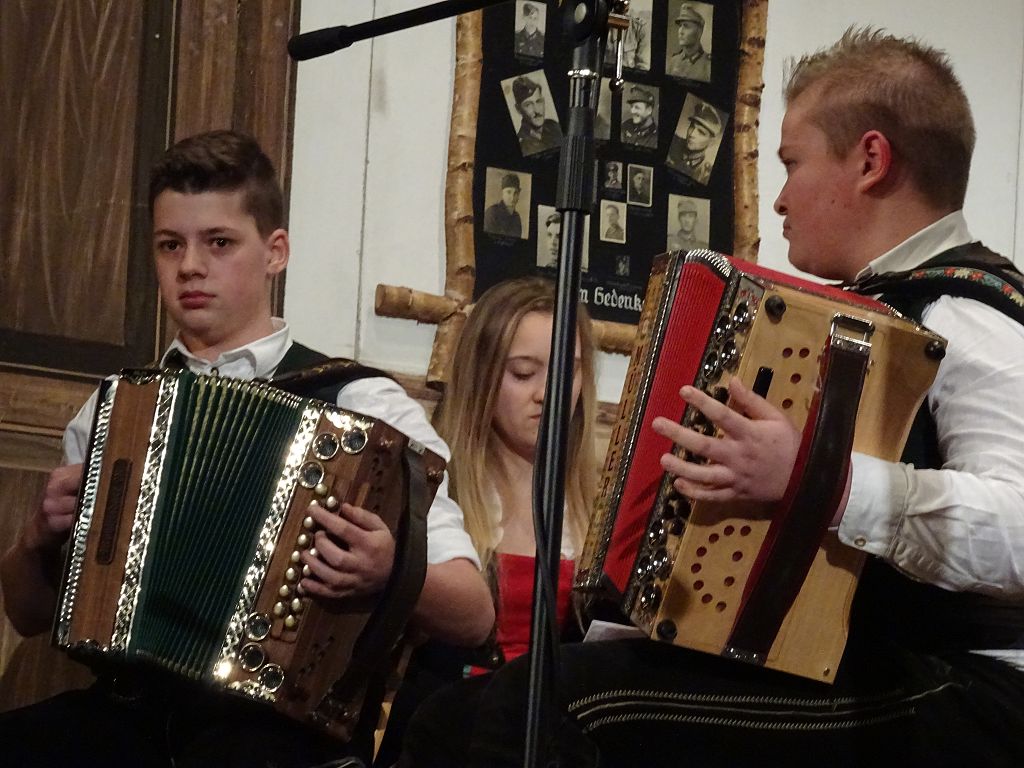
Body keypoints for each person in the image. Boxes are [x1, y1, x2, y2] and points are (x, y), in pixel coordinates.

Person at [402, 27, 1024, 767]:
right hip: (872, 668)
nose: (781, 199)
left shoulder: (970, 313)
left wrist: (817, 479)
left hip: (973, 687)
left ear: (870, 160)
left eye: (792, 164)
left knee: (556, 704)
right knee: (450, 717)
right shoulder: (868, 315)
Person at [0, 130, 494, 768]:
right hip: (129, 712)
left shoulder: (366, 405)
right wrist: (36, 539)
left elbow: (473, 614)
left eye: (219, 242)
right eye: (170, 244)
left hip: (276, 729)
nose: (190, 266)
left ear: (275, 251)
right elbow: (28, 614)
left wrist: (390, 572)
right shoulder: (114, 408)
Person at [385, 277, 597, 767]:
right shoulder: (438, 492)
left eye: (568, 371)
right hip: (449, 738)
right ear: (481, 375)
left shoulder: (596, 506)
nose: (548, 393)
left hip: (556, 745)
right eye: (523, 373)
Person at [667, 101, 721, 185]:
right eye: (692, 126)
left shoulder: (706, 175)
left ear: (711, 142)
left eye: (701, 132)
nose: (692, 134)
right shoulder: (672, 143)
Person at [510, 75, 561, 157]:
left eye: (538, 101)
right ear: (518, 109)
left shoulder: (554, 126)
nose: (537, 110)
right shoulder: (521, 144)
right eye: (528, 105)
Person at [667, 3, 712, 82]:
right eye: (680, 26)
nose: (680, 31)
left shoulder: (708, 65)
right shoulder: (673, 61)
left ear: (699, 32)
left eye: (686, 26)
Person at [483, 173, 523, 238]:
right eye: (508, 192)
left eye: (515, 193)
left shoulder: (517, 218)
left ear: (518, 195)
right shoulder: (492, 213)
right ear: (502, 193)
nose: (512, 197)